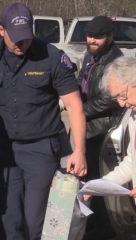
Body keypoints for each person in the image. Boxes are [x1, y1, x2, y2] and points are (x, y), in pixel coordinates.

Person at [0, 2, 87, 240]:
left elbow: (74, 106)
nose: (21, 43)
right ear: (0, 30)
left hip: (41, 150)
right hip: (4, 150)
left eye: (26, 36)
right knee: (7, 220)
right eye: (15, 38)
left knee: (34, 221)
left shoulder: (53, 57)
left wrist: (79, 151)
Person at [77, 16, 124, 240]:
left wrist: (79, 110)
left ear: (110, 36)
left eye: (98, 36)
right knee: (87, 180)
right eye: (89, 35)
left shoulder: (116, 60)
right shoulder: (90, 55)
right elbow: (82, 81)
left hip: (103, 131)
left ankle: (105, 231)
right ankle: (92, 223)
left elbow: (110, 98)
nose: (92, 40)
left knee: (102, 181)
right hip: (86, 129)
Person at [100, 56, 136, 197]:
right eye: (116, 99)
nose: (121, 104)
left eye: (123, 95)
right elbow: (132, 162)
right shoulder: (133, 116)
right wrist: (101, 185)